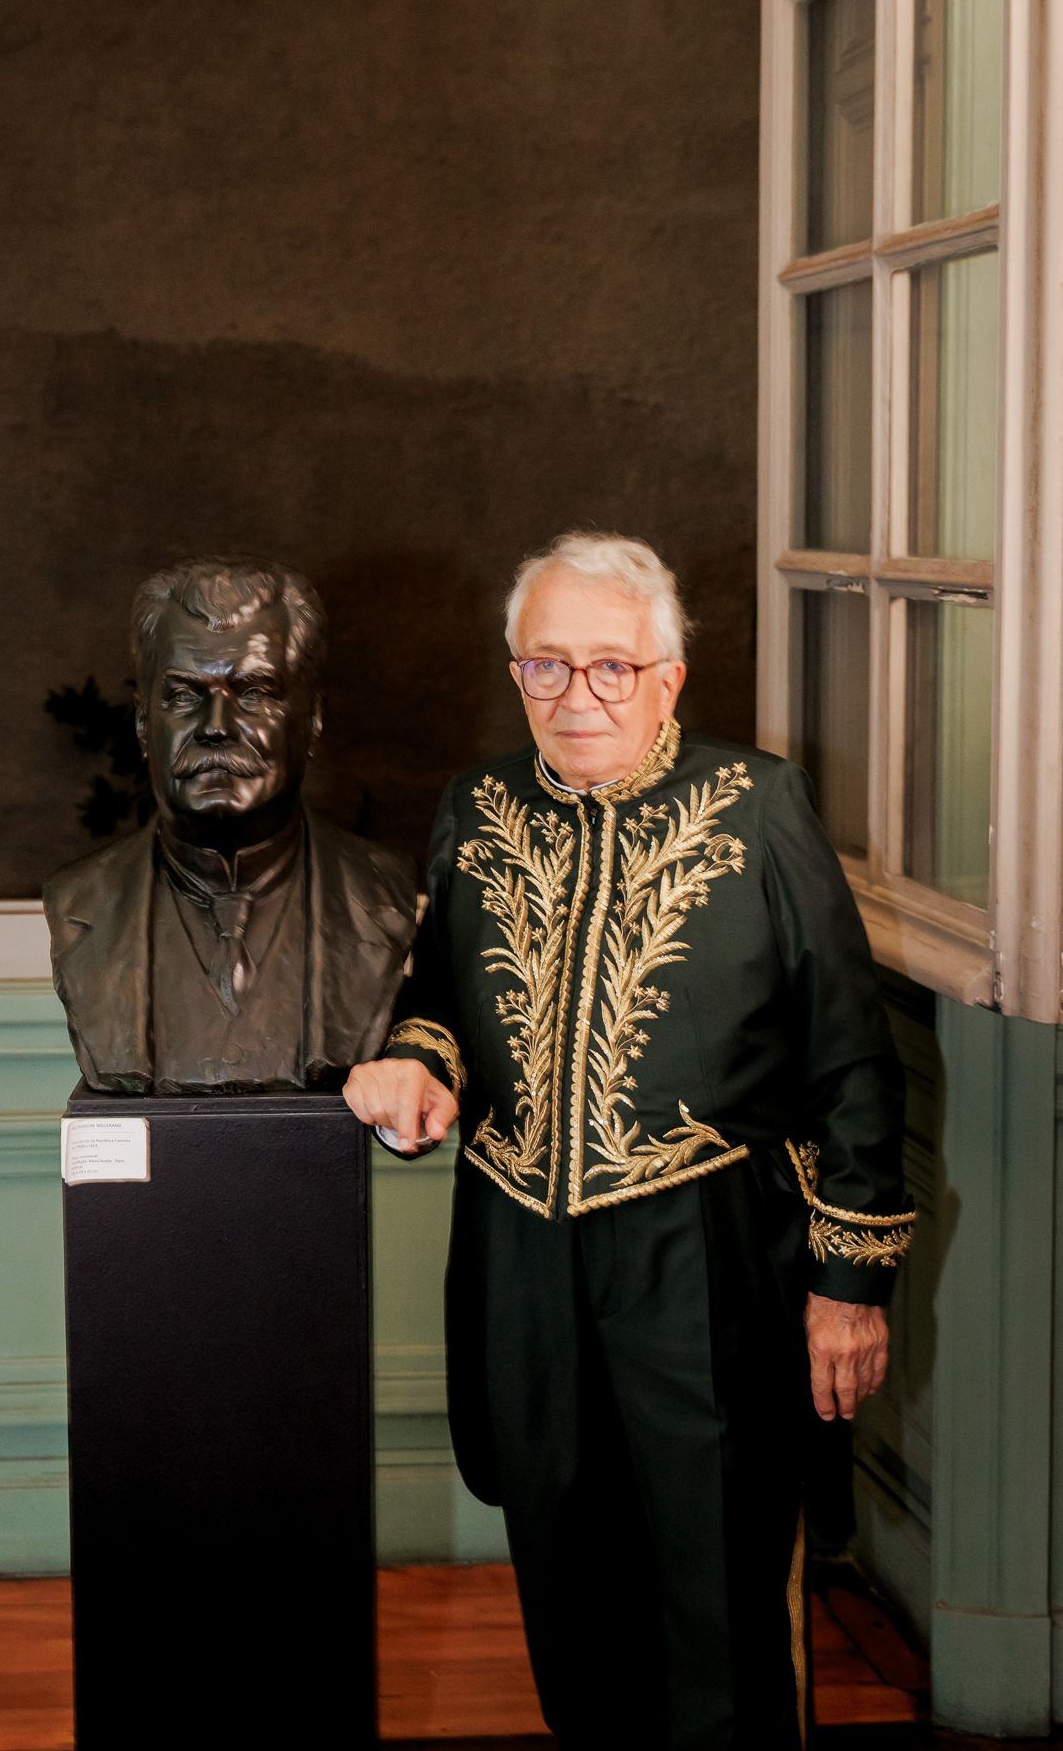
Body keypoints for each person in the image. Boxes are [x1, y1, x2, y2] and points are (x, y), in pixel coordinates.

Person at [344, 531, 913, 1750]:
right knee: (563, 1575)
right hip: (517, 1258)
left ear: (668, 677)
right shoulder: (476, 804)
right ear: (515, 675)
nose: (578, 695)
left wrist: (848, 1284)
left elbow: (848, 1056)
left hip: (704, 1257)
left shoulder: (758, 807)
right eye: (547, 666)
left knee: (717, 1598)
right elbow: (437, 997)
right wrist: (413, 1061)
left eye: (611, 665)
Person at [44, 555, 416, 1095]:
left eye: (256, 693)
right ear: (144, 723)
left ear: (312, 720)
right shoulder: (80, 899)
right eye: (183, 694)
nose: (216, 727)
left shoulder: (380, 892)